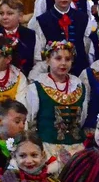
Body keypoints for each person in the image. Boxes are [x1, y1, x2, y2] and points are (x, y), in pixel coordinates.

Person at [26, 41, 88, 173]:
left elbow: (82, 118)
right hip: (48, 147)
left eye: (68, 59)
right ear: (48, 60)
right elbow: (31, 120)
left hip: (76, 148)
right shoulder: (36, 88)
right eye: (58, 58)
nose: (63, 63)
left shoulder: (79, 86)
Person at [32, 0, 95, 78]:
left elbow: (87, 45)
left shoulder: (83, 18)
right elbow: (39, 50)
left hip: (79, 69)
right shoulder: (43, 20)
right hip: (53, 71)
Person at [0, 0, 37, 76]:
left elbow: (38, 62)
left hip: (26, 79)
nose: (4, 17)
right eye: (1, 13)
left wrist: (30, 78)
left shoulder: (31, 35)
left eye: (9, 13)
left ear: (20, 16)